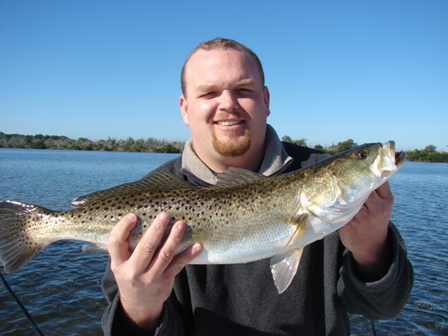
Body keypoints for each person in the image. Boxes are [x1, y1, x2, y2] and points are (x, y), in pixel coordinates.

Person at [101, 37, 413, 335]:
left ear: (265, 100)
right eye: (209, 93)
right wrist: (140, 307)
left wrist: (372, 248)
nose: (228, 104)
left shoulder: (340, 194)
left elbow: (384, 308)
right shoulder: (148, 199)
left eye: (243, 90)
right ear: (185, 108)